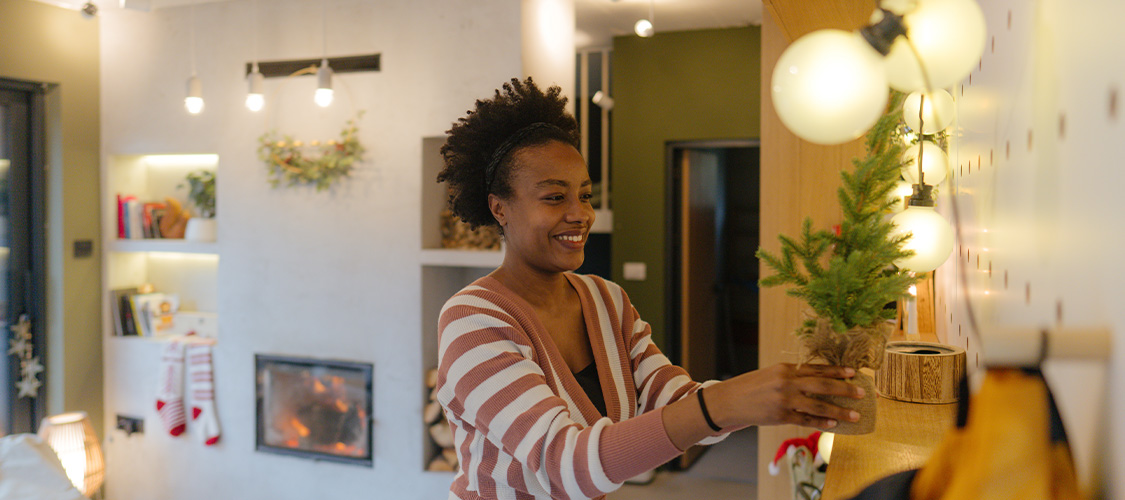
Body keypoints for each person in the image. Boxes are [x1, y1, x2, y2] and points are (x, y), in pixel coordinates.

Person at [435, 77, 863, 500]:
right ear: (499, 208)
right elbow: (567, 466)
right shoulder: (472, 321)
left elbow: (673, 400)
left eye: (584, 196)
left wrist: (766, 394)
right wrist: (727, 403)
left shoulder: (606, 300)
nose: (579, 214)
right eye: (553, 197)